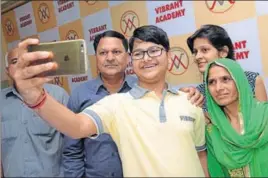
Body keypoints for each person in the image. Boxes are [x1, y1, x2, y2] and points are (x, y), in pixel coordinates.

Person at [12, 25, 207, 177]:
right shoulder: (116, 104)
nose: (147, 58)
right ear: (132, 60)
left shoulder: (190, 101)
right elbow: (76, 127)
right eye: (139, 53)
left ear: (169, 56)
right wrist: (35, 96)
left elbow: (200, 156)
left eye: (154, 51)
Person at [63, 30, 204, 177]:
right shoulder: (80, 94)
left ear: (127, 57)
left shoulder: (148, 86)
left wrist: (184, 95)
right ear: (96, 58)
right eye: (103, 53)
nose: (110, 58)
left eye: (116, 51)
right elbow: (72, 151)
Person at [0, 47, 69, 177]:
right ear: (8, 71)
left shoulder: (58, 96)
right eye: (15, 61)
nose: (21, 65)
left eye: (25, 60)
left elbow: (74, 146)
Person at [204, 58, 268, 177]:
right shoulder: (213, 130)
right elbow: (217, 172)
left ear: (239, 81)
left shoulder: (265, 116)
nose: (218, 88)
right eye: (212, 82)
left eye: (225, 79)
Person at [187, 24, 267, 113]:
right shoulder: (198, 94)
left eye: (204, 50)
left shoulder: (251, 80)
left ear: (223, 52)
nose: (197, 56)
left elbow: (264, 121)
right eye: (195, 52)